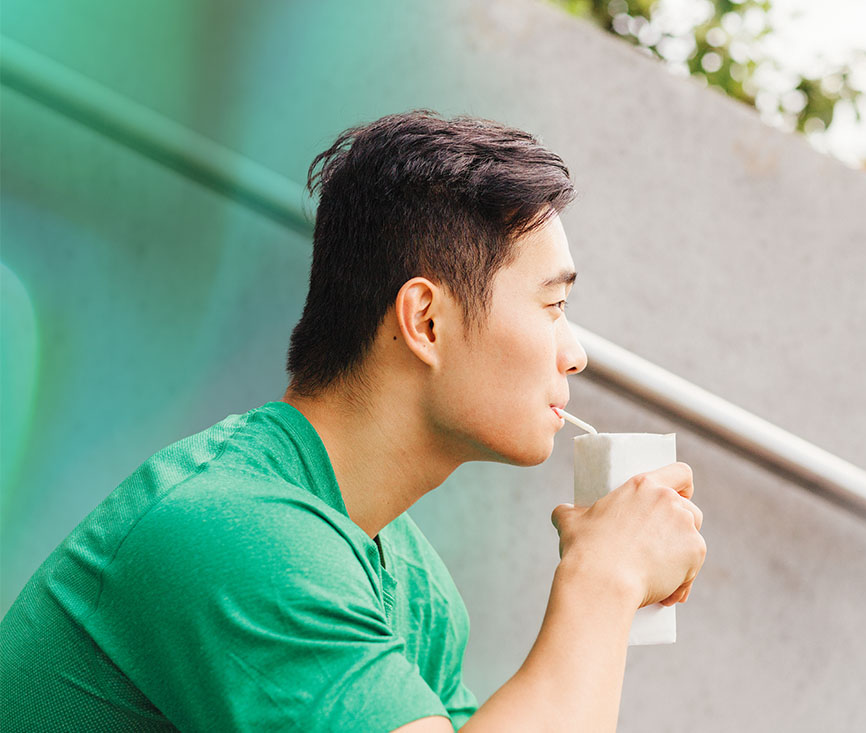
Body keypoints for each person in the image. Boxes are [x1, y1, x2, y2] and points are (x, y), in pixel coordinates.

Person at [0, 110, 707, 732]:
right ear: (426, 320)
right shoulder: (238, 534)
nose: (575, 354)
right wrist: (604, 580)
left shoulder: (412, 583)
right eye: (553, 306)